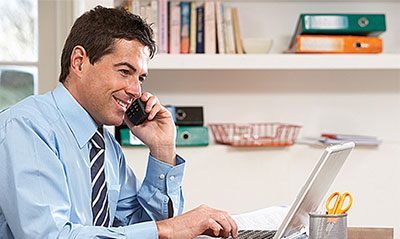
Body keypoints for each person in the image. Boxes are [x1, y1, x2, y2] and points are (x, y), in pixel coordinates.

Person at [0, 6, 238, 239]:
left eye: (141, 77)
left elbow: (139, 228)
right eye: (125, 71)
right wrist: (168, 230)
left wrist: (162, 151)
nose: (136, 89)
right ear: (79, 62)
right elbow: (50, 235)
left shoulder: (105, 145)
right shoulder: (26, 127)